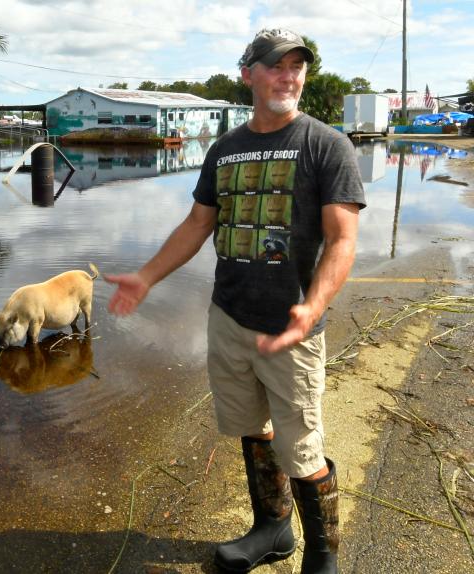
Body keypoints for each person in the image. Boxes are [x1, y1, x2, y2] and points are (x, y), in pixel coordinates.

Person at [105, 28, 365, 574]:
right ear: (247, 73)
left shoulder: (326, 145)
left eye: (297, 66)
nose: (288, 75)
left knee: (304, 452)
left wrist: (312, 308)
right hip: (229, 319)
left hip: (291, 330)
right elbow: (199, 223)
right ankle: (272, 530)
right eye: (275, 65)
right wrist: (147, 277)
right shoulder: (225, 149)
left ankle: (323, 559)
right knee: (253, 429)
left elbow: (342, 241)